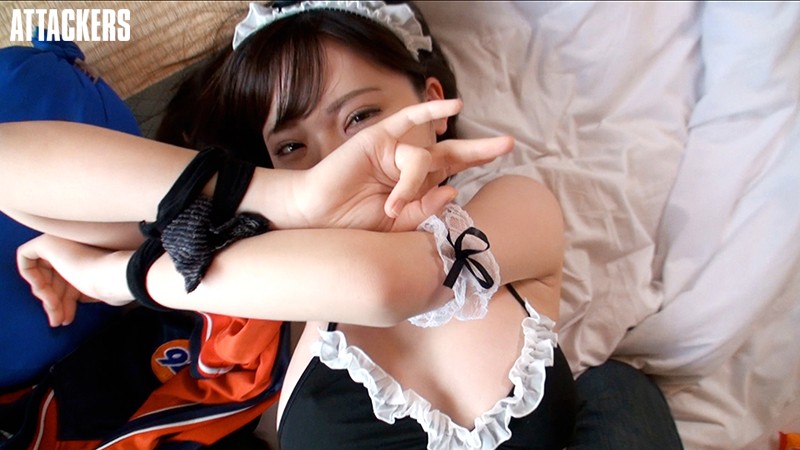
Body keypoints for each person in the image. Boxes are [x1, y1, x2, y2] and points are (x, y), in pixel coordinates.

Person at [0, 1, 682, 449]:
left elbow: (387, 284)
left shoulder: (514, 208)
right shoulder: (257, 256)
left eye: (360, 116)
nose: (336, 159)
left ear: (432, 102)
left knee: (623, 392)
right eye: (293, 146)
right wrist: (286, 198)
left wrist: (119, 276)